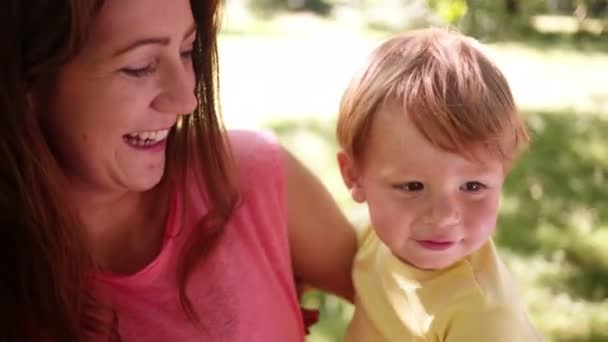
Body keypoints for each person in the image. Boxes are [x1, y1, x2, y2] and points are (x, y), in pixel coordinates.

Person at [0, 0, 357, 341]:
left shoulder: (252, 178)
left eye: (187, 51)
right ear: (25, 83)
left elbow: (402, 298)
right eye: (139, 66)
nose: (187, 99)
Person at [336, 28, 542, 341]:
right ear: (354, 177)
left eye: (472, 186)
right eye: (412, 186)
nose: (444, 215)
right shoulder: (368, 237)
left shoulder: (483, 318)